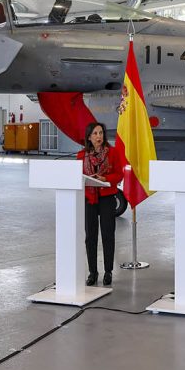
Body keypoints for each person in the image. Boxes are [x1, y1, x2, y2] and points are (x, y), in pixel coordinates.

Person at [77, 121, 124, 287]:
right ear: (89, 137)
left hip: (107, 197)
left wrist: (106, 179)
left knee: (107, 235)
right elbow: (78, 177)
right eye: (95, 134)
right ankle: (92, 272)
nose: (99, 136)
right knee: (90, 236)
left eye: (101, 133)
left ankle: (108, 271)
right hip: (89, 198)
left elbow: (119, 174)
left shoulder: (112, 153)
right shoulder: (81, 156)